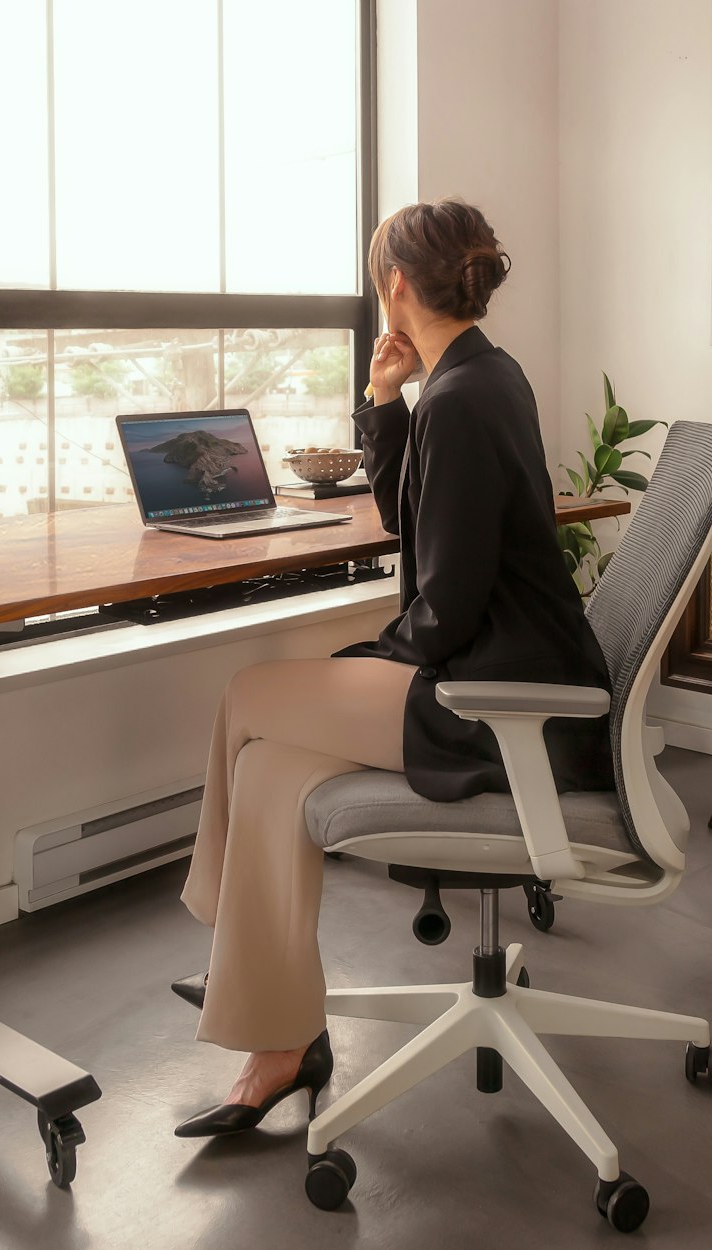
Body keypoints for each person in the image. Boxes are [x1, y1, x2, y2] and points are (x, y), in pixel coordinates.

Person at [172, 199, 614, 1139]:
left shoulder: (464, 401)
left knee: (253, 695)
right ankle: (282, 1043)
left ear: (395, 285)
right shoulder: (480, 380)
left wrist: (369, 661)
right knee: (271, 763)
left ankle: (226, 942)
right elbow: (420, 528)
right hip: (499, 669)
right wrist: (383, 405)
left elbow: (444, 604)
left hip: (497, 702)